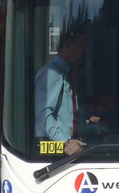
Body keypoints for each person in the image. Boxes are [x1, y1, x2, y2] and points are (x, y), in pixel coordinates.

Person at [34, 23, 99, 155]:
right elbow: (43, 115)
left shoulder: (68, 75)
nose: (84, 53)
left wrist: (86, 119)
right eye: (81, 47)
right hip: (59, 152)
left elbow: (67, 114)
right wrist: (64, 143)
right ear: (68, 45)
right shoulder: (51, 73)